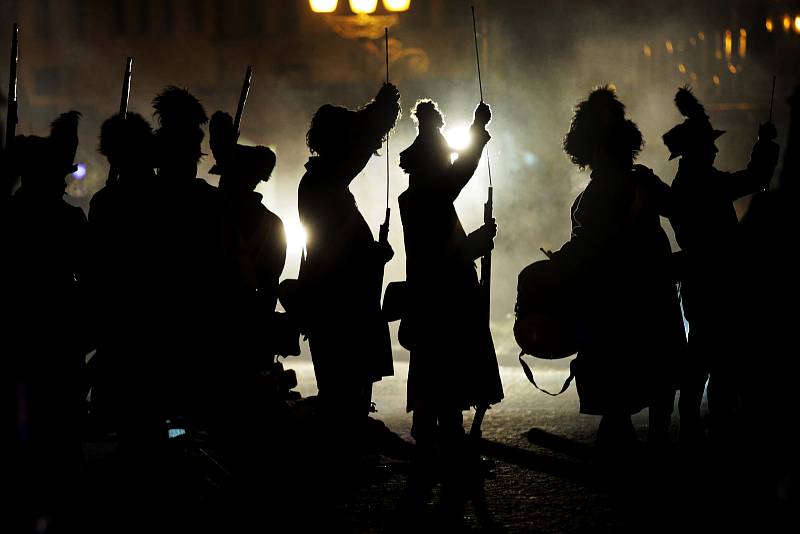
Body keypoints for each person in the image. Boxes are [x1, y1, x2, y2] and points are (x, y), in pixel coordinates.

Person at [549, 87, 686, 452]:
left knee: (622, 370)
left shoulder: (593, 196)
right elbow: (681, 211)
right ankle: (651, 441)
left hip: (615, 294)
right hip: (646, 288)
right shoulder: (639, 181)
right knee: (659, 367)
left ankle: (622, 436)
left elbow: (587, 245)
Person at [397, 99, 503, 496]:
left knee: (437, 384)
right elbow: (462, 172)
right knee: (448, 383)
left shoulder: (422, 197)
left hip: (433, 302)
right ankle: (447, 455)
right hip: (443, 303)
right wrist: (477, 128)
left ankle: (437, 452)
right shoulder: (427, 197)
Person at [663, 86, 779, 444]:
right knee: (720, 364)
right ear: (695, 149)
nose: (714, 148)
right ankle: (715, 433)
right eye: (709, 144)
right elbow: (756, 178)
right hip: (717, 284)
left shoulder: (686, 182)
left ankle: (694, 429)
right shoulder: (703, 183)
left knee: (703, 360)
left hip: (700, 285)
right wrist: (765, 144)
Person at [297, 82, 400, 460]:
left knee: (346, 378)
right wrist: (382, 111)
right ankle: (345, 445)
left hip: (335, 295)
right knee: (347, 379)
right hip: (341, 299)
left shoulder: (320, 179)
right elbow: (337, 251)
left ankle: (346, 440)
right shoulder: (326, 182)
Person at [2, 111, 91, 531]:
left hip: (37, 335)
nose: (64, 182)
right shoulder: (68, 219)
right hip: (51, 334)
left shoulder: (12, 216)